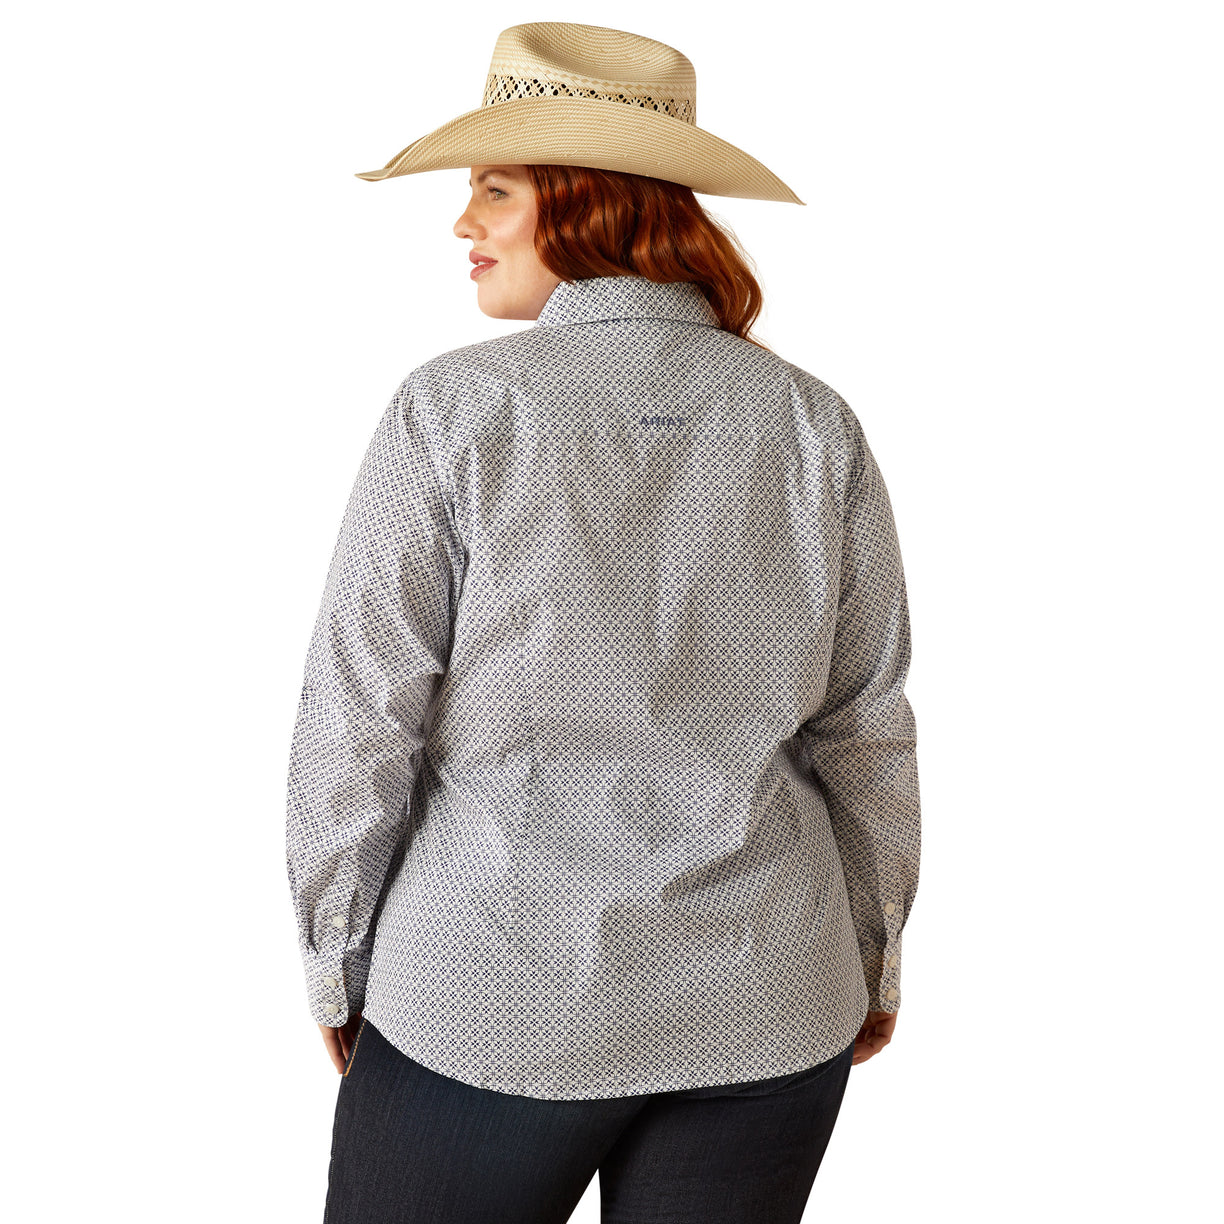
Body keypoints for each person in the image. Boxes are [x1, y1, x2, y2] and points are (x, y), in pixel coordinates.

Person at [285, 22, 921, 1224]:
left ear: (582, 203)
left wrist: (336, 959)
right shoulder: (811, 424)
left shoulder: (453, 413)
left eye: (493, 188)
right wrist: (875, 960)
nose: (462, 224)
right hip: (769, 1000)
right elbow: (866, 729)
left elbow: (361, 718)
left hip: (492, 997)